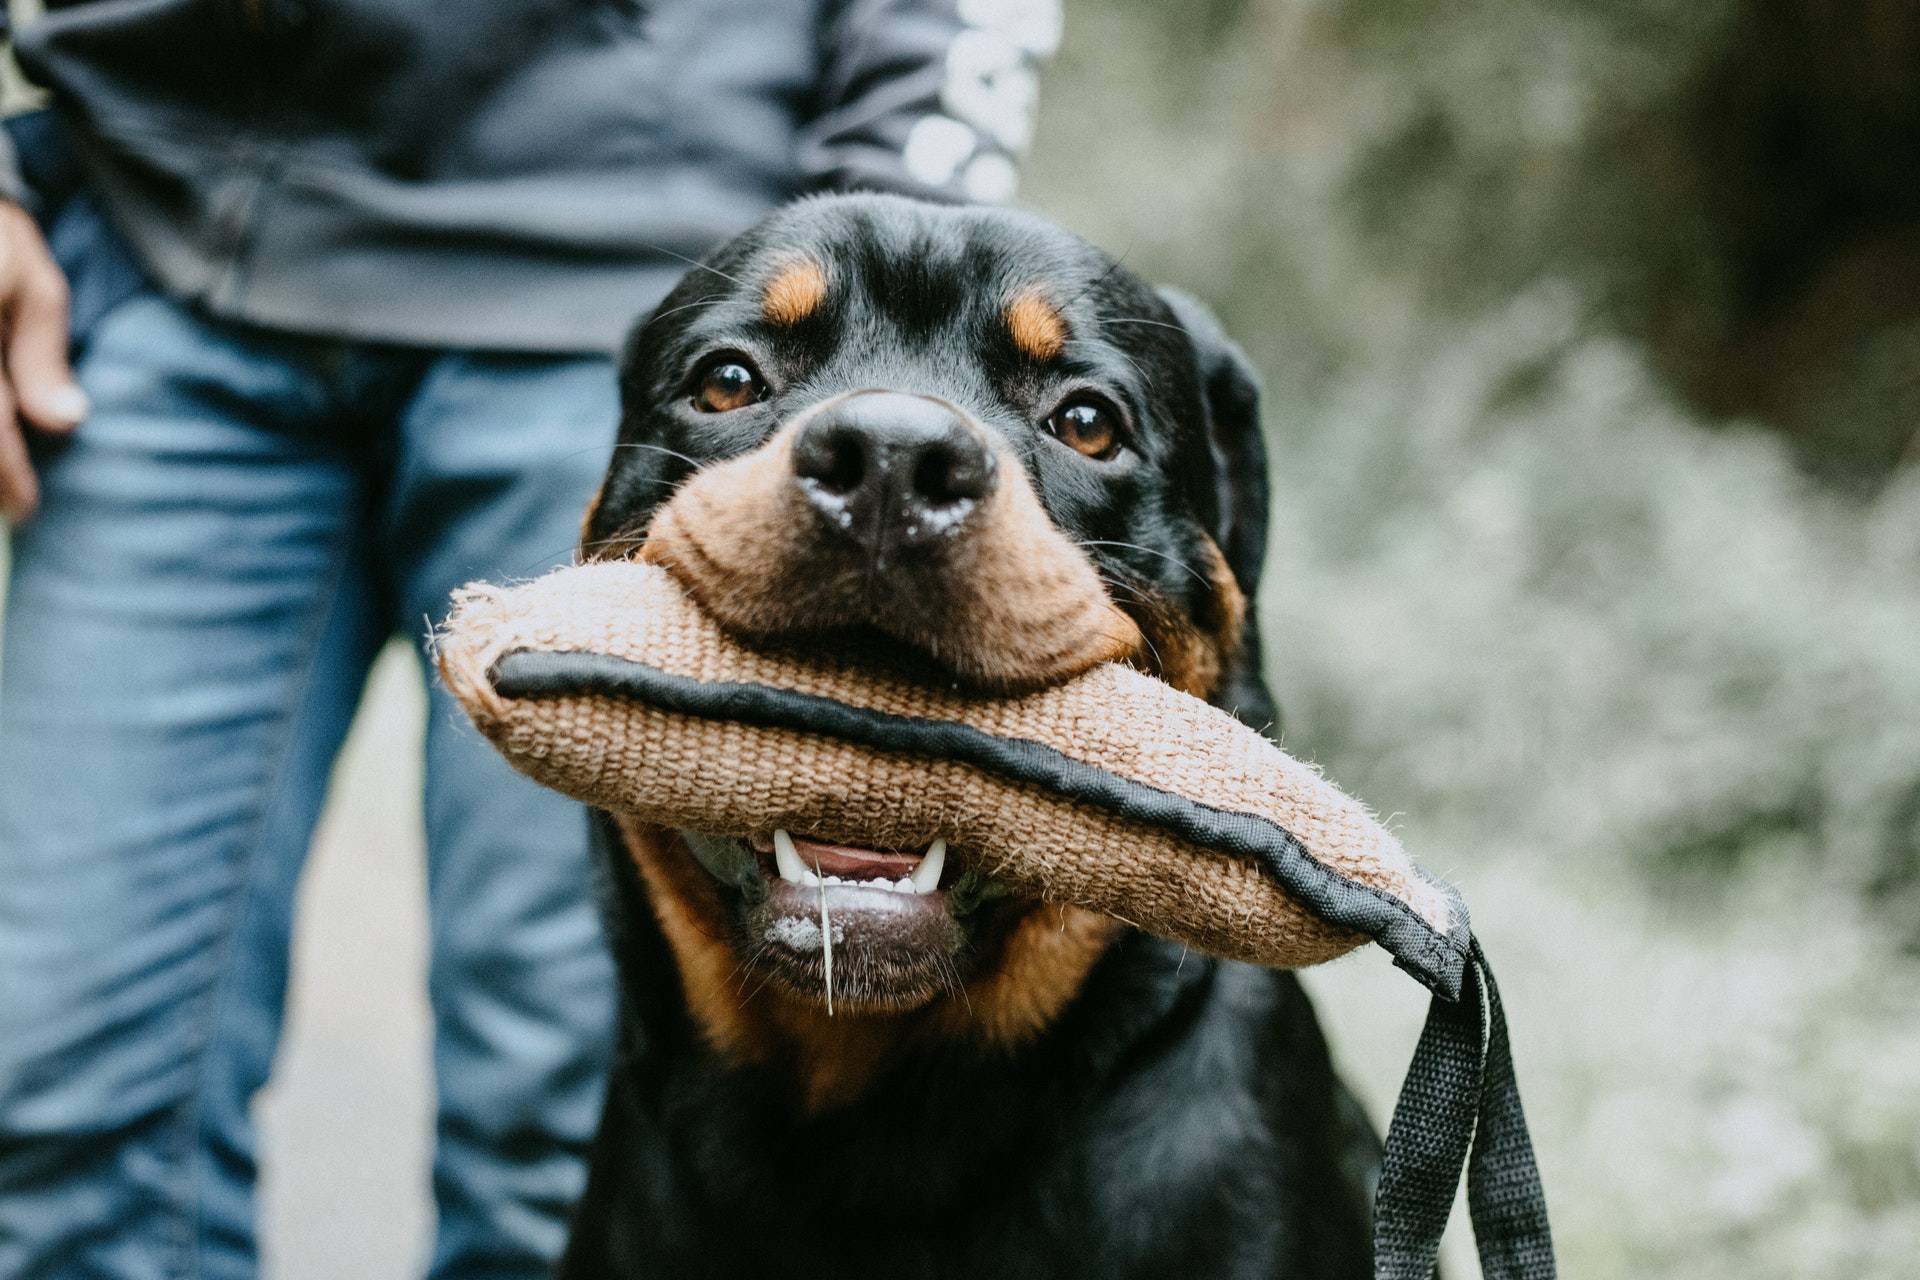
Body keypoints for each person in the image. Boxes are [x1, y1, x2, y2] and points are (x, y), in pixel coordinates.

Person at [0, 2, 1058, 1277]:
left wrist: (859, 331)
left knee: (567, 1137)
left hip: (646, 314)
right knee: (64, 1116)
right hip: (163, 248)